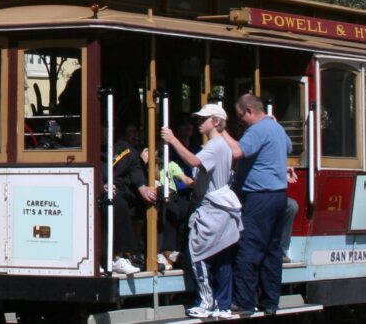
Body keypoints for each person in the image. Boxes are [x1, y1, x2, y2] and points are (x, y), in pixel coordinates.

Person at [162, 104, 239, 319]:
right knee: (222, 256)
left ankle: (206, 303)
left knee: (198, 255)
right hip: (222, 207)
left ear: (215, 121)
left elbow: (195, 161)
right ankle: (223, 305)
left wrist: (173, 140)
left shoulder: (214, 146)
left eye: (203, 119)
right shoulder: (222, 145)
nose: (199, 123)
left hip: (211, 209)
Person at [222, 93, 293, 315]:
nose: (240, 121)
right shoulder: (276, 128)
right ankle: (270, 303)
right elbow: (289, 148)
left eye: (241, 116)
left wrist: (220, 129)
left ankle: (244, 302)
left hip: (259, 197)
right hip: (278, 196)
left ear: (250, 111)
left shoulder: (258, 129)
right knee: (272, 251)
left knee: (249, 247)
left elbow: (237, 151)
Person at [101, 123, 158, 274]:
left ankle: (154, 253)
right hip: (100, 193)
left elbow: (135, 170)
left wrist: (143, 187)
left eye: (109, 128)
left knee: (159, 203)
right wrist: (101, 186)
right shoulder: (94, 147)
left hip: (121, 190)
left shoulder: (126, 150)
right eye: (104, 128)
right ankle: (117, 257)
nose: (107, 131)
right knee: (118, 204)